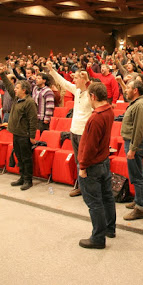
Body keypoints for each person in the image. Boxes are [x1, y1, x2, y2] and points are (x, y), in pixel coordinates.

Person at [77, 82, 116, 249]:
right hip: (104, 161)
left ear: (93, 96)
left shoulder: (96, 117)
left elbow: (89, 146)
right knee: (107, 197)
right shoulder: (109, 110)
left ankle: (98, 238)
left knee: (94, 202)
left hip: (93, 165)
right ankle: (109, 228)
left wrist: (83, 167)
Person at [47, 61, 92, 197]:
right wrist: (52, 70)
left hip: (85, 132)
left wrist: (89, 80)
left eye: (77, 77)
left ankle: (89, 189)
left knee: (86, 162)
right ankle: (81, 186)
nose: (74, 79)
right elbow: (63, 82)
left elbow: (98, 88)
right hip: (74, 130)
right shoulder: (76, 91)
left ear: (84, 80)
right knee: (78, 161)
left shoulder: (91, 93)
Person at [0, 66, 38, 191]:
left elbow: (33, 120)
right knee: (19, 156)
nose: (14, 89)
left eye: (17, 88)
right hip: (16, 133)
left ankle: (28, 180)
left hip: (24, 135)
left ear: (24, 90)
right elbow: (8, 86)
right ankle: (22, 177)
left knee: (26, 158)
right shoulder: (16, 98)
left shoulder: (29, 102)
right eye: (15, 88)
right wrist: (2, 74)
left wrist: (32, 136)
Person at [121, 80, 143, 220]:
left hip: (135, 144)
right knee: (136, 174)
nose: (126, 90)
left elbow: (138, 130)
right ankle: (138, 200)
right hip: (132, 143)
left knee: (137, 176)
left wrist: (132, 149)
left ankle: (140, 208)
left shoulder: (140, 105)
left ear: (135, 90)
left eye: (128, 88)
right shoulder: (136, 103)